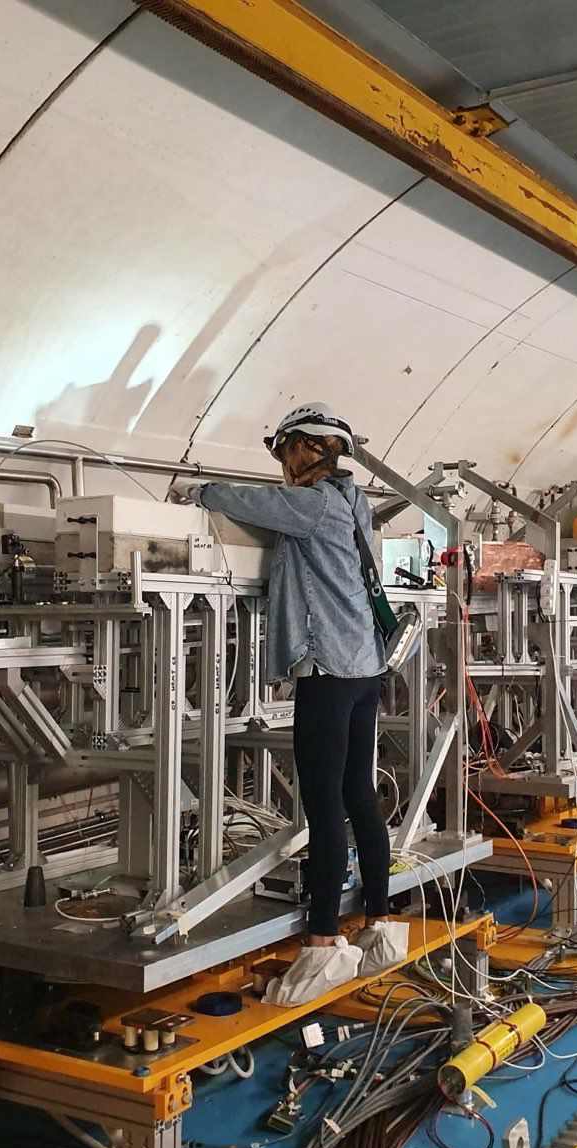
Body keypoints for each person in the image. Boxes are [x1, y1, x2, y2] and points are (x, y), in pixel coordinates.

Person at [183, 403, 408, 1006]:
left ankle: (324, 942)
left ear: (306, 450)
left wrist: (197, 489)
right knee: (360, 794)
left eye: (286, 453)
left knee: (323, 803)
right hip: (365, 670)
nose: (282, 467)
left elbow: (248, 504)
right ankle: (380, 925)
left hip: (328, 671)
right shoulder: (356, 504)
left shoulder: (310, 505)